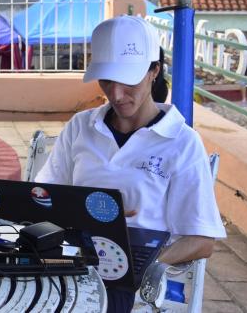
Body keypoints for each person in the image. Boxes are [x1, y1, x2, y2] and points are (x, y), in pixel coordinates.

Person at [35, 16, 225, 313]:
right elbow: (43, 195)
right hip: (75, 252)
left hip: (133, 268)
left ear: (154, 71)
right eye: (107, 80)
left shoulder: (181, 142)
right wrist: (86, 209)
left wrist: (152, 265)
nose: (116, 94)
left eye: (128, 80)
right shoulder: (82, 126)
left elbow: (202, 239)